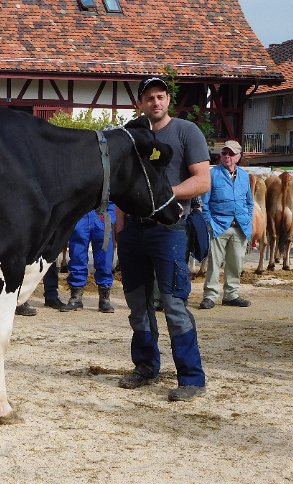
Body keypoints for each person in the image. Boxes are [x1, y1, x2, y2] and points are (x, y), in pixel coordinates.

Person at [116, 76, 211, 402]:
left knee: (173, 303)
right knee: (137, 305)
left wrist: (161, 194)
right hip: (134, 230)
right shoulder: (131, 136)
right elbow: (124, 183)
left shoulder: (186, 132)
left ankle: (191, 377)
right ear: (140, 103)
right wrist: (120, 227)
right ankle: (145, 366)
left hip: (169, 229)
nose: (155, 102)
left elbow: (202, 182)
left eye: (160, 96)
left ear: (168, 100)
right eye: (149, 98)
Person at [198, 140, 254, 310]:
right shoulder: (213, 174)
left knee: (236, 262)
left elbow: (249, 202)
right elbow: (204, 203)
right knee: (214, 263)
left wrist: (248, 218)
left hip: (240, 226)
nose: (227, 156)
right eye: (224, 153)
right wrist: (209, 223)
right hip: (219, 225)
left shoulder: (244, 175)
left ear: (238, 156)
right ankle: (210, 296)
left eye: (231, 154)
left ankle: (231, 294)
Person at [42, 201, 117, 313]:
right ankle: (76, 297)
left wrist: (110, 215)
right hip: (80, 212)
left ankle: (104, 298)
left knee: (104, 257)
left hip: (103, 211)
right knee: (77, 255)